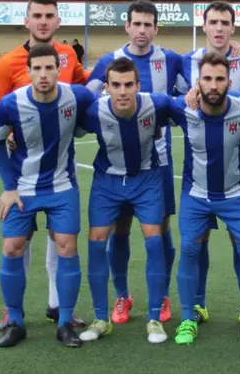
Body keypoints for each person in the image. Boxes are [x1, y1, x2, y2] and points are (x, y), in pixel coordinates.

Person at [0, 0, 88, 332]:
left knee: (62, 241)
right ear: (26, 21)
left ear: (58, 21)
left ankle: (59, 307)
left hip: (59, 170)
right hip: (22, 166)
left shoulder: (69, 56)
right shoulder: (6, 63)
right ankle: (12, 312)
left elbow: (86, 90)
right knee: (17, 243)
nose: (43, 21)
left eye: (49, 16)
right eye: (37, 16)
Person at [86, 0, 183, 325]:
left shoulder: (170, 60)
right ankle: (122, 296)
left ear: (156, 28)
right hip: (116, 166)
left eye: (148, 25)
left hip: (159, 163)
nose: (142, 30)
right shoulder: (107, 62)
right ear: (127, 26)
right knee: (120, 228)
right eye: (136, 24)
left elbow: (188, 95)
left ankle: (162, 294)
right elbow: (86, 97)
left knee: (162, 229)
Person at [171, 52, 240, 348]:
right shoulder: (180, 109)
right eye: (207, 79)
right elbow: (147, 102)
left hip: (237, 195)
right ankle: (189, 316)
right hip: (196, 194)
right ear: (197, 82)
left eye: (220, 79)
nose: (213, 85)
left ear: (229, 82)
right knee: (188, 248)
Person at [77, 57, 175, 344]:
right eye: (116, 85)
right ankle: (102, 315)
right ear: (106, 87)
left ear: (138, 85)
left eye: (128, 85)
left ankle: (155, 317)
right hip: (107, 182)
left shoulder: (156, 104)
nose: (123, 91)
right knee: (97, 241)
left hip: (146, 179)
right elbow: (62, 127)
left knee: (154, 238)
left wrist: (193, 96)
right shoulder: (94, 111)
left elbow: (187, 110)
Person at [178, 0, 240, 326]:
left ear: (233, 27)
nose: (220, 28)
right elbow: (171, 100)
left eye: (226, 22)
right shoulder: (184, 62)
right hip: (197, 173)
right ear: (205, 25)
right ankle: (196, 305)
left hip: (236, 167)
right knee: (196, 242)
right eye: (214, 22)